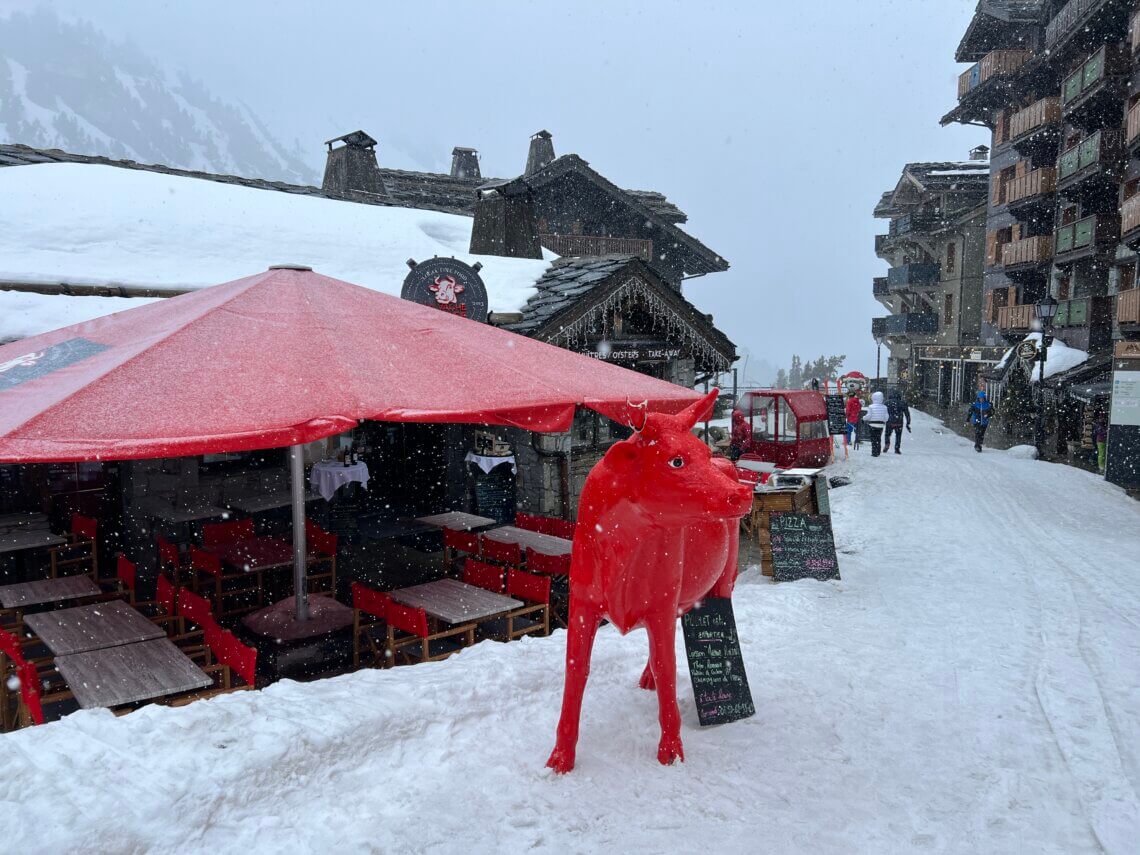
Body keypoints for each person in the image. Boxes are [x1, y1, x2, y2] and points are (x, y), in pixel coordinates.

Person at [883, 388, 911, 454]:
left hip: (889, 421)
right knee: (898, 435)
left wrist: (883, 419)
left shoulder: (887, 402)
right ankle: (897, 448)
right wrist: (908, 423)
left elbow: (883, 412)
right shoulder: (903, 403)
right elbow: (907, 414)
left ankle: (887, 444)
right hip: (899, 422)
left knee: (887, 434)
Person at [863, 390, 889, 457]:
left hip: (872, 424)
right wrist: (883, 420)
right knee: (878, 438)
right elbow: (886, 417)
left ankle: (874, 452)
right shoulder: (885, 407)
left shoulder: (871, 406)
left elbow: (869, 416)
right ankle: (878, 451)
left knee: (873, 439)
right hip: (880, 425)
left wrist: (864, 418)